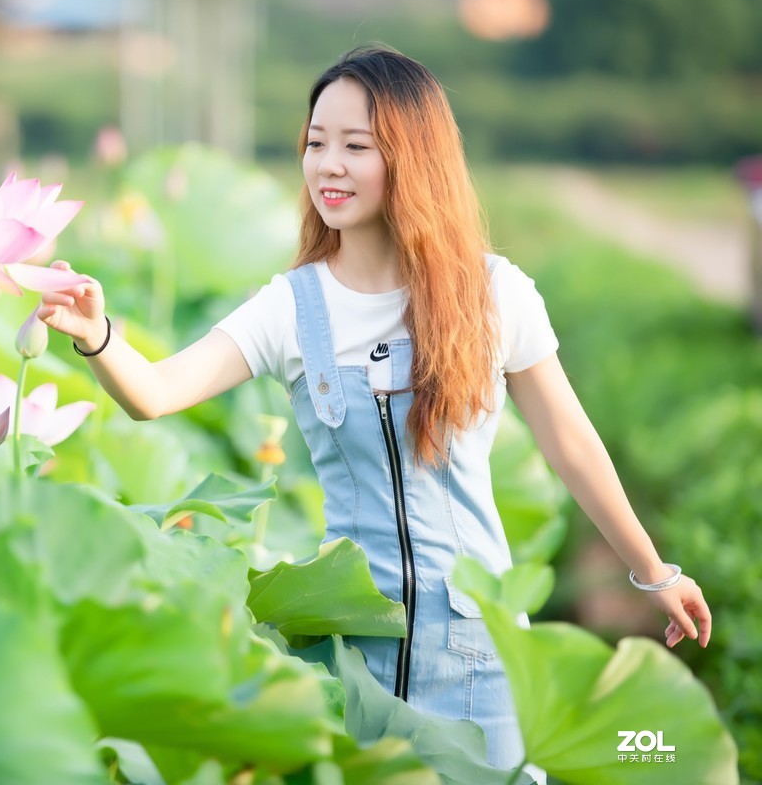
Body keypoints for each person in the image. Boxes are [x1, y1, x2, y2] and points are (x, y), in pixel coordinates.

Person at [36, 45, 712, 779]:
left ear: (411, 158)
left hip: (480, 654)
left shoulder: (492, 295)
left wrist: (654, 572)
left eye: (355, 146)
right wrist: (98, 335)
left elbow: (572, 446)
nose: (328, 165)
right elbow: (155, 393)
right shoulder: (292, 306)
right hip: (351, 660)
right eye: (315, 144)